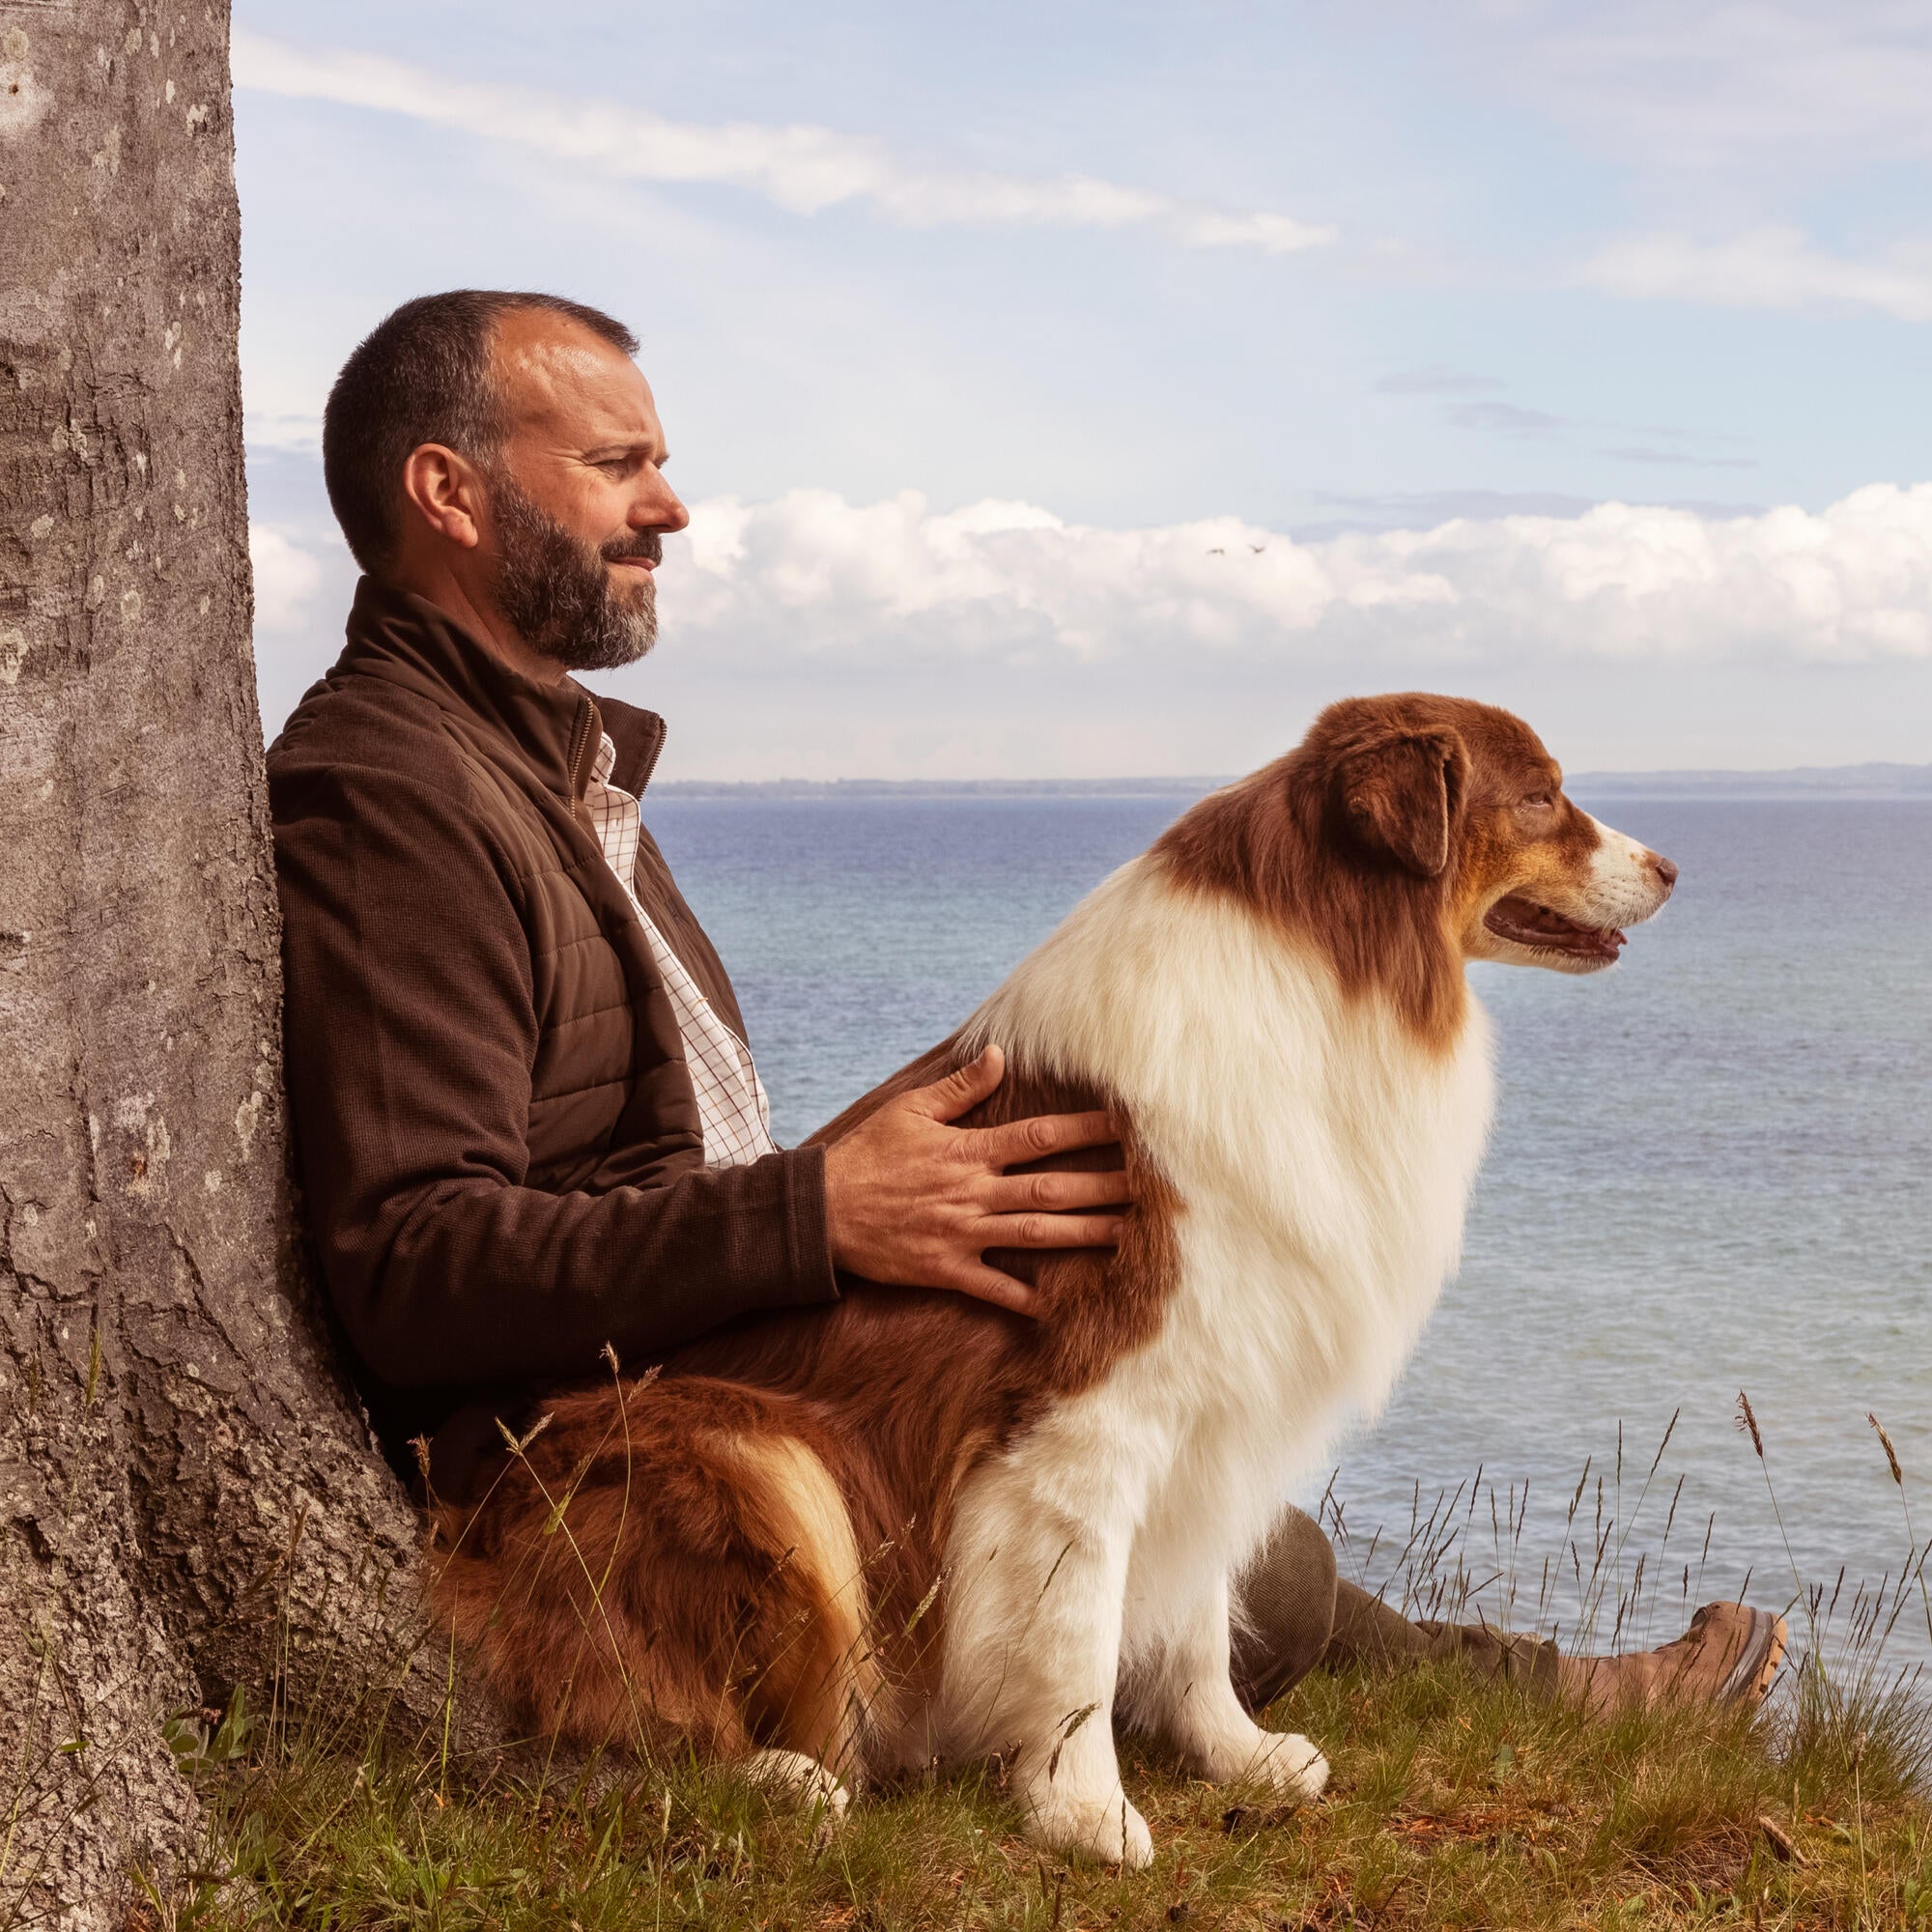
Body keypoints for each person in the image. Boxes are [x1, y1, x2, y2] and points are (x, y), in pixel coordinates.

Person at [267, 289, 1786, 1724]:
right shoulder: (395, 791)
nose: (669, 506)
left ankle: (1518, 1681)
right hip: (634, 1470)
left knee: (1191, 1467)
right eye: (616, 465)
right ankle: (1530, 1691)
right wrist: (815, 1221)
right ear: (449, 495)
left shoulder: (551, 766)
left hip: (709, 1356)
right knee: (1224, 1529)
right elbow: (414, 1260)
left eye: (661, 463)